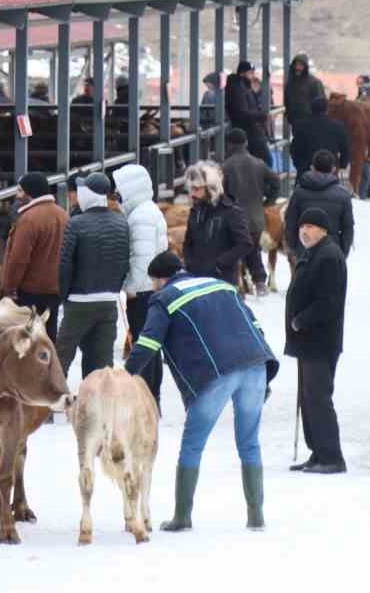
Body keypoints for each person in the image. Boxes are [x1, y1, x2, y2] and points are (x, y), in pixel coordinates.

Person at [124, 251, 279, 532]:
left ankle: (182, 516)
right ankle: (256, 516)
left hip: (215, 374)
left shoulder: (163, 298)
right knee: (249, 443)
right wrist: (265, 378)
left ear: (160, 280)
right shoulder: (221, 285)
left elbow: (148, 343)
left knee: (193, 445)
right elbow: (255, 327)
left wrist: (124, 376)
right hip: (255, 364)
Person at [286, 208, 348, 474]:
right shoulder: (312, 253)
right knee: (308, 399)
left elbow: (328, 302)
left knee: (319, 398)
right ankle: (318, 452)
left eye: (311, 226)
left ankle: (332, 457)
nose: (304, 231)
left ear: (323, 230)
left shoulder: (329, 256)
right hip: (306, 341)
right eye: (302, 226)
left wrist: (301, 320)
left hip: (320, 340)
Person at [56, 173, 131, 378]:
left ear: (86, 194)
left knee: (62, 356)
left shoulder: (77, 223)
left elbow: (65, 265)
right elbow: (124, 261)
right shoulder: (121, 222)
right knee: (101, 362)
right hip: (108, 301)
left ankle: (46, 408)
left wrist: (63, 295)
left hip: (79, 300)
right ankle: (98, 404)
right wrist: (114, 288)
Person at [114, 163, 168, 404]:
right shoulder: (146, 211)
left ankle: (147, 395)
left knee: (144, 344)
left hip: (144, 291)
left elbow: (142, 258)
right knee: (151, 345)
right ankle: (151, 395)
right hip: (151, 288)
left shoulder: (140, 217)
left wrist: (131, 288)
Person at [1, 172, 67, 325]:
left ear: (30, 192)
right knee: (48, 336)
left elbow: (19, 259)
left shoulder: (28, 219)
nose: (17, 196)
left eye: (20, 191)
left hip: (29, 293)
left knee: (27, 339)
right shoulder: (63, 215)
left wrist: (9, 288)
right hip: (55, 291)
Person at [221, 128, 278, 296]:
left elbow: (220, 192)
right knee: (252, 248)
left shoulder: (225, 167)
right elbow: (275, 180)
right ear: (246, 143)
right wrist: (268, 201)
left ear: (229, 145)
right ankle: (260, 282)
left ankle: (240, 284)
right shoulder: (259, 163)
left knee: (235, 250)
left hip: (233, 217)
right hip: (256, 218)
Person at [181, 161, 254, 286]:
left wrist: (219, 264)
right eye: (191, 189)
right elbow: (188, 242)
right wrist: (189, 264)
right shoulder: (196, 211)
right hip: (196, 280)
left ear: (210, 187)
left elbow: (245, 244)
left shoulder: (231, 211)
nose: (192, 194)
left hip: (222, 282)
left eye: (197, 189)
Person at [284, 149, 354, 258]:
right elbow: (348, 228)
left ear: (312, 168)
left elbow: (290, 223)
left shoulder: (299, 193)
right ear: (333, 169)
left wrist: (296, 248)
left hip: (305, 251)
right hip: (333, 252)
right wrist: (342, 253)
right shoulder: (343, 195)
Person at [289, 96, 349, 185]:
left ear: (311, 109)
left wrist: (299, 165)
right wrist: (341, 165)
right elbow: (345, 149)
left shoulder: (300, 125)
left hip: (305, 171)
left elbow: (294, 149)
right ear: (327, 110)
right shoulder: (337, 126)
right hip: (330, 171)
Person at [224, 62, 269, 161]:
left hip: (250, 128)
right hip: (248, 129)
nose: (253, 75)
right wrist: (261, 116)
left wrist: (256, 93)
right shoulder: (238, 88)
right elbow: (242, 112)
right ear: (243, 73)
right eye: (251, 72)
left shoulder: (243, 86)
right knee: (266, 159)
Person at [282, 54, 324, 130]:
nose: (298, 68)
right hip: (295, 123)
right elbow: (287, 102)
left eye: (301, 65)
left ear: (305, 67)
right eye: (296, 65)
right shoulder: (290, 84)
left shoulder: (314, 82)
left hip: (311, 124)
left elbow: (321, 103)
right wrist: (289, 116)